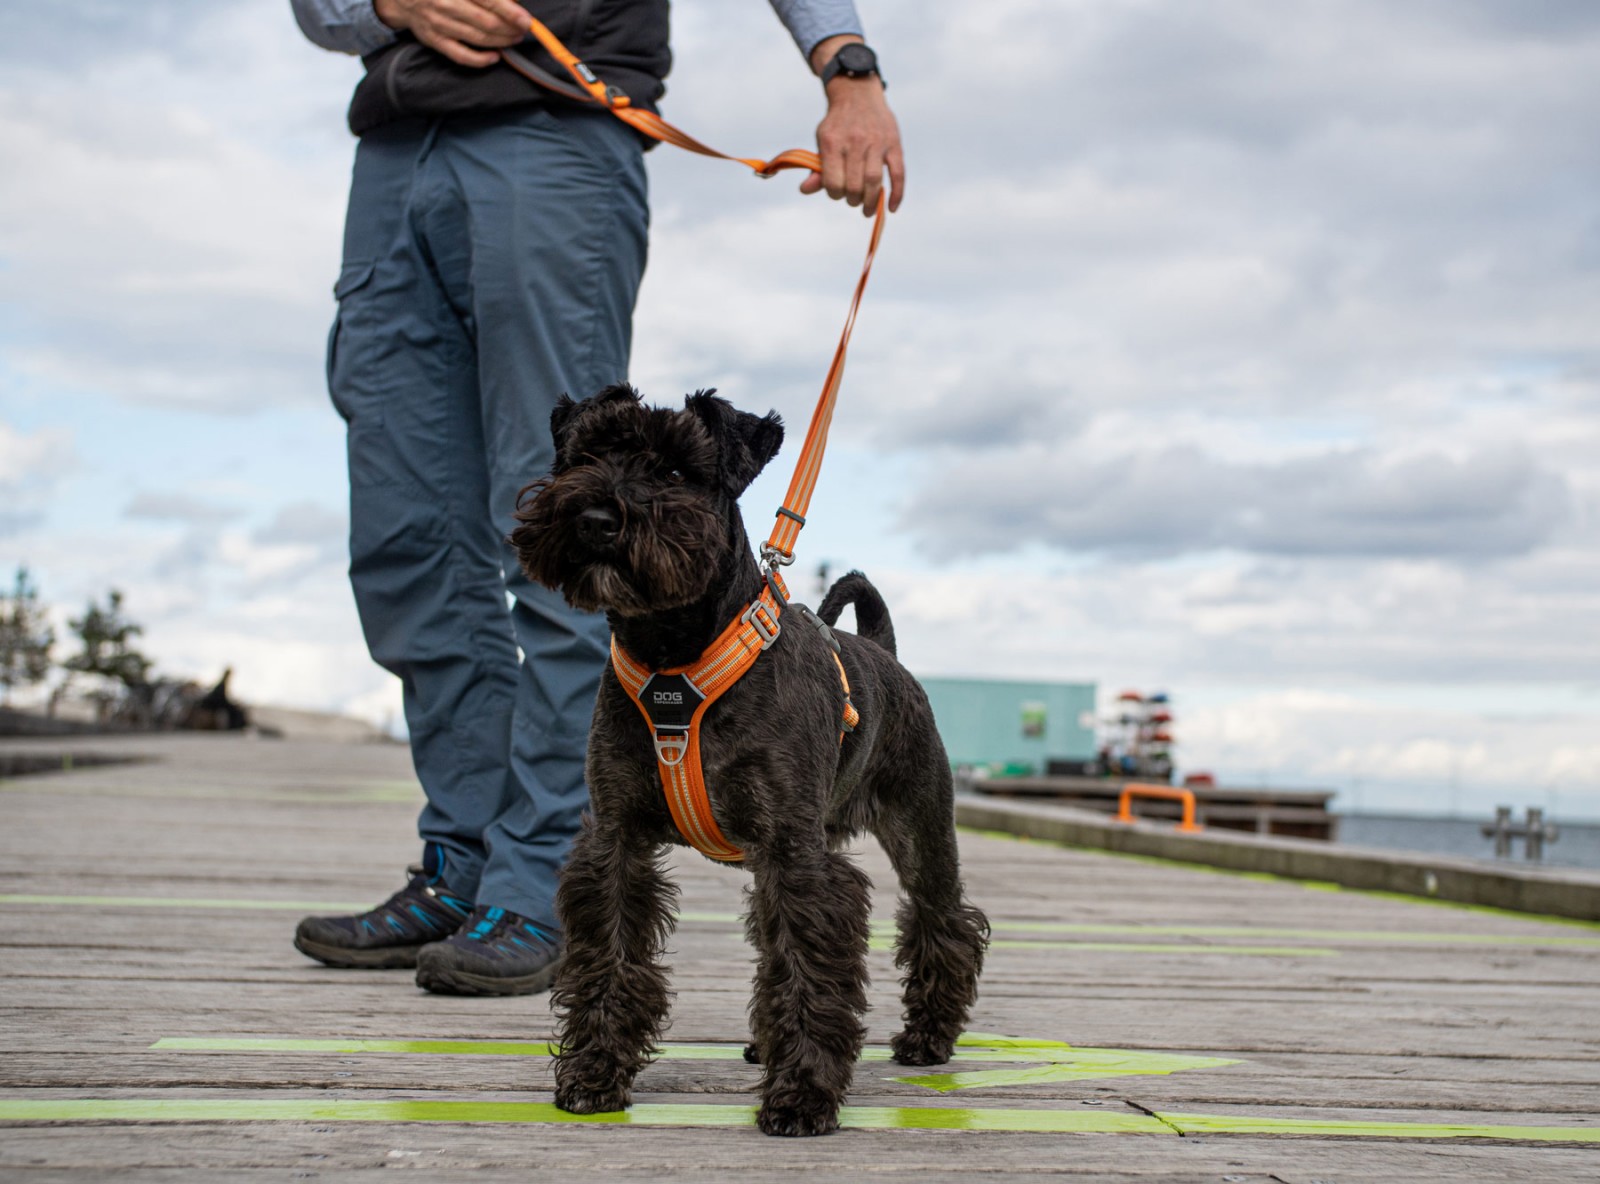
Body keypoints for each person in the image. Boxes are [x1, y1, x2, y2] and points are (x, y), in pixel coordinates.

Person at [288, 0, 905, 996]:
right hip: (394, 152)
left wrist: (849, 69)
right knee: (406, 544)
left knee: (584, 542)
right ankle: (462, 864)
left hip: (556, 134)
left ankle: (539, 881)